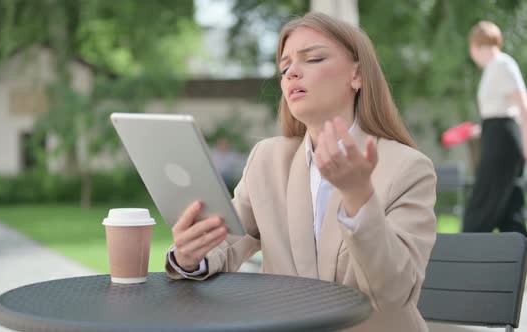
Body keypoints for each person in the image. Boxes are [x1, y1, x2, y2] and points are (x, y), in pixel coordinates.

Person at [165, 12, 437, 332]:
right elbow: (226, 241)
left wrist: (357, 197)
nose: (292, 72)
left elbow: (394, 294)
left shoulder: (408, 169)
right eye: (284, 67)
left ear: (357, 75)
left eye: (314, 58)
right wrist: (190, 256)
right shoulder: (267, 160)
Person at [463, 20, 527, 236]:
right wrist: (481, 130)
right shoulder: (491, 69)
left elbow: (522, 105)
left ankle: (467, 249)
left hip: (504, 142)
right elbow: (499, 110)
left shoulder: (503, 64)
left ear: (476, 45)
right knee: (510, 208)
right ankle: (518, 256)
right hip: (495, 135)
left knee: (482, 200)